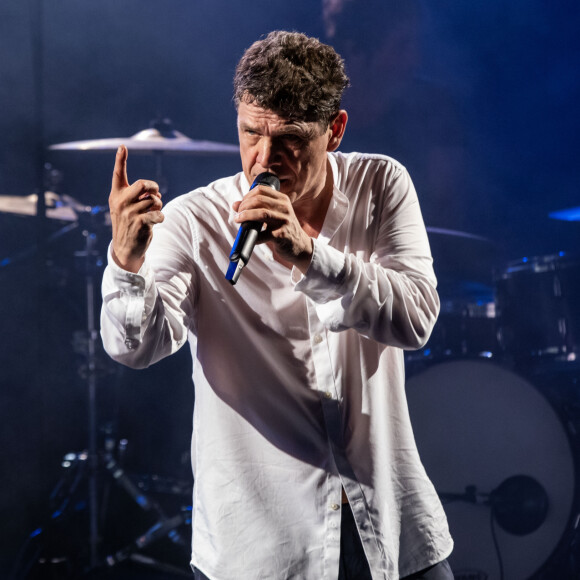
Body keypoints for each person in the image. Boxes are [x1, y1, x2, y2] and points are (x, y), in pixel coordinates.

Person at [101, 30, 453, 579]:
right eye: (249, 133)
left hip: (390, 531)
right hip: (260, 549)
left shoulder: (381, 184)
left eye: (288, 139)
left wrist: (311, 256)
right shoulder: (195, 221)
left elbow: (416, 318)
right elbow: (137, 348)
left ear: (334, 130)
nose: (264, 159)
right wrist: (125, 266)